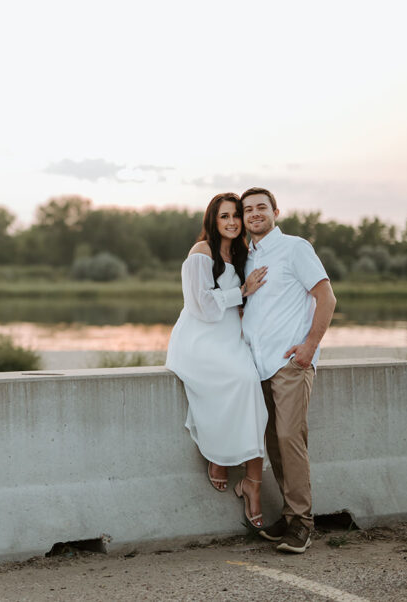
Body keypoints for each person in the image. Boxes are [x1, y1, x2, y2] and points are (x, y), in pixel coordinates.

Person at [240, 187, 337, 555]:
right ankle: (289, 514)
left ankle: (303, 524)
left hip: (290, 364)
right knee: (274, 444)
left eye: (261, 207)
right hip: (258, 366)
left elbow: (326, 297)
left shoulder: (296, 248)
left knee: (290, 439)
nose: (254, 214)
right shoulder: (246, 258)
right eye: (248, 210)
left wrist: (309, 347)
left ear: (275, 211)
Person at [165, 192, 269, 529]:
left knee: (250, 382)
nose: (232, 222)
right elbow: (203, 308)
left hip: (230, 338)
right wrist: (240, 292)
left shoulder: (240, 254)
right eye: (224, 216)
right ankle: (216, 453)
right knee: (237, 380)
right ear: (213, 219)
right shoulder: (201, 253)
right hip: (200, 340)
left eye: (236, 215)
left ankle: (252, 483)